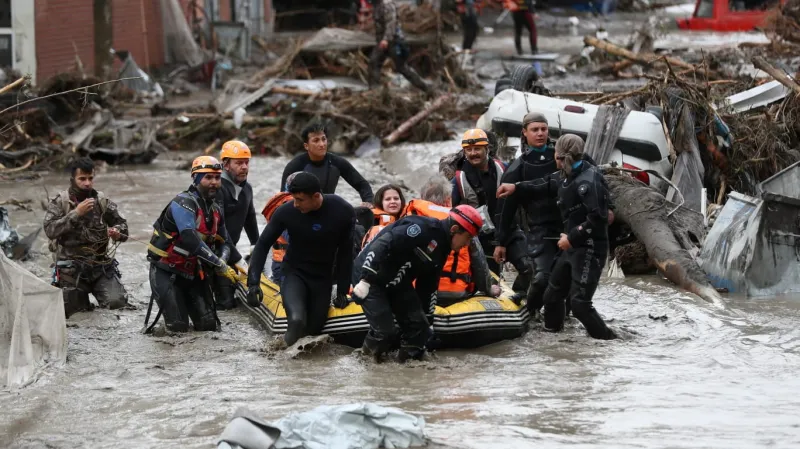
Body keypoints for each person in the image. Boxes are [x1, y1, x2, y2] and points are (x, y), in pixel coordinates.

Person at [496, 134, 617, 340]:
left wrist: (571, 238)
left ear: (559, 155)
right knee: (552, 296)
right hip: (569, 247)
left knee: (580, 304)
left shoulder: (590, 179)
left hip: (589, 248)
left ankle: (610, 341)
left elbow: (598, 218)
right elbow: (544, 184)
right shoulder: (564, 174)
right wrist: (516, 187)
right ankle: (554, 341)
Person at [352, 204, 483, 362]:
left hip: (398, 280)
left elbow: (428, 284)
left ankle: (405, 368)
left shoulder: (443, 248)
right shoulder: (421, 229)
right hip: (370, 275)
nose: (467, 244)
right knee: (385, 332)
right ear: (454, 229)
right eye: (467, 238)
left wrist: (428, 319)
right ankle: (364, 364)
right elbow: (383, 244)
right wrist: (366, 279)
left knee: (420, 330)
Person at [247, 173, 356, 346]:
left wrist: (342, 290)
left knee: (313, 332)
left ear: (316, 196)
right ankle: (281, 362)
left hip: (322, 278)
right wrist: (253, 283)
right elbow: (262, 244)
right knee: (297, 321)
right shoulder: (287, 212)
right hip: (294, 273)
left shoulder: (343, 211)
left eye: (300, 200)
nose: (295, 204)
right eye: (294, 199)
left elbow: (345, 252)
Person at [146, 156, 239, 333]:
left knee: (209, 327)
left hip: (195, 274)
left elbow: (226, 242)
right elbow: (189, 238)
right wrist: (219, 264)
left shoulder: (215, 209)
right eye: (208, 177)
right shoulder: (183, 203)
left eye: (217, 178)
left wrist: (223, 262)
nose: (214, 182)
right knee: (178, 328)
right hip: (167, 272)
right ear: (196, 179)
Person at [451, 129, 533, 299]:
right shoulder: (458, 179)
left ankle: (519, 297)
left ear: (487, 148)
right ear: (464, 152)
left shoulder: (505, 169)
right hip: (481, 239)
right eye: (469, 150)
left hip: (509, 231)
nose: (473, 153)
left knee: (528, 267)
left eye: (477, 149)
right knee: (490, 284)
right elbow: (450, 213)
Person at [44, 157, 130, 318]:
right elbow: (50, 230)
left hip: (100, 268)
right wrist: (76, 213)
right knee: (74, 315)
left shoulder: (101, 201)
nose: (87, 183)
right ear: (73, 179)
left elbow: (124, 227)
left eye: (90, 178)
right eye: (82, 179)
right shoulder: (60, 202)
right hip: (70, 271)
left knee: (118, 305)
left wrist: (118, 232)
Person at [495, 112, 559, 317]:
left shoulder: (561, 157)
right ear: (524, 133)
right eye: (535, 130)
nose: (540, 133)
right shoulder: (517, 168)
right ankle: (530, 313)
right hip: (538, 229)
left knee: (566, 282)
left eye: (544, 129)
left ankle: (558, 320)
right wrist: (501, 242)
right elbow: (507, 210)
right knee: (541, 278)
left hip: (568, 226)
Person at [404, 177, 494, 304]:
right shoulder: (464, 223)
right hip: (454, 292)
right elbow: (479, 262)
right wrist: (488, 289)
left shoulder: (412, 218)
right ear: (448, 200)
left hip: (415, 291)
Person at [281, 122, 374, 206]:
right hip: (303, 212)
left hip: (328, 211)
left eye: (323, 139)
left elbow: (362, 185)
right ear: (306, 146)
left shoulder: (337, 162)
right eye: (316, 140)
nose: (322, 144)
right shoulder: (295, 166)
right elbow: (283, 197)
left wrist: (369, 202)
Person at [215, 140, 259, 309]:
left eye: (246, 162)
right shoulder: (217, 189)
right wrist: (238, 258)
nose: (244, 167)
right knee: (226, 304)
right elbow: (220, 228)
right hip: (214, 251)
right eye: (239, 163)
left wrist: (256, 245)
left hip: (230, 249)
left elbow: (250, 217)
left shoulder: (247, 188)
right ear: (226, 165)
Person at [368, 0, 432, 94]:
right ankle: (374, 90)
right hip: (382, 42)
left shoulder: (387, 5)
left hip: (393, 41)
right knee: (374, 62)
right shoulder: (376, 5)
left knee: (401, 68)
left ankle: (426, 89)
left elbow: (391, 23)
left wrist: (386, 39)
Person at [262, 171, 302, 284]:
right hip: (284, 263)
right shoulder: (287, 209)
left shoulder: (298, 205)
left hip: (288, 261)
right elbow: (291, 237)